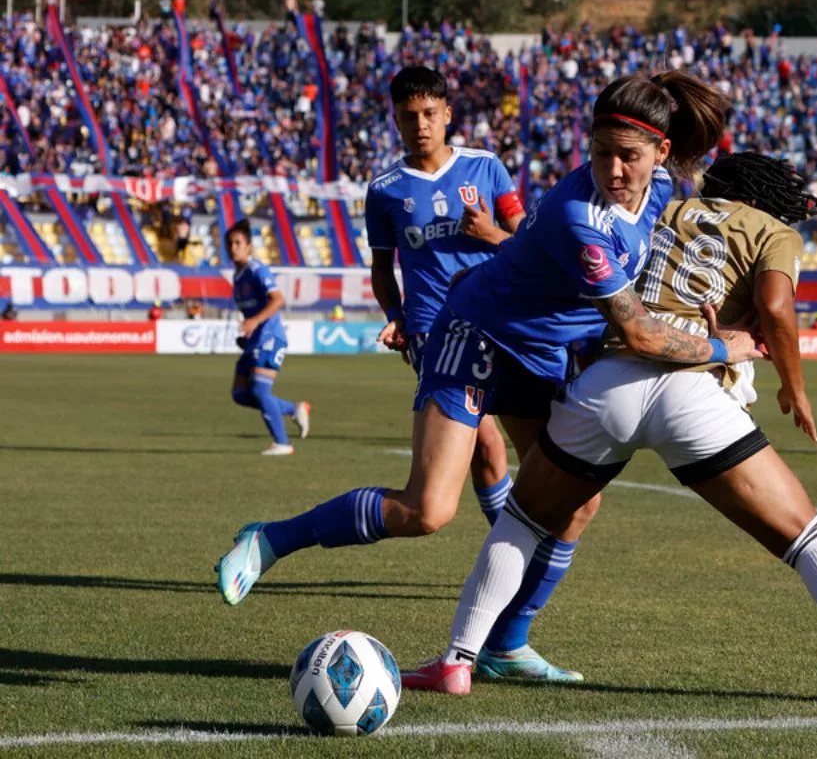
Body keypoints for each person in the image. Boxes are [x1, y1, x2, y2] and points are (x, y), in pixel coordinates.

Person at [216, 70, 747, 683]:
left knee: (576, 506)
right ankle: (269, 541)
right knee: (428, 510)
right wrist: (723, 346)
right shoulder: (577, 212)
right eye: (602, 154)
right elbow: (639, 334)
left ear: (659, 154)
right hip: (476, 337)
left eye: (629, 156)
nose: (614, 170)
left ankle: (506, 646)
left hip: (542, 356)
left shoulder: (659, 191)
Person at [416, 153, 817, 707]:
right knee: (804, 538)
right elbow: (775, 306)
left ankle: (456, 662)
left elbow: (595, 282)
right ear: (763, 198)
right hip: (692, 391)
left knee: (522, 522)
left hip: (607, 384)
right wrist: (792, 384)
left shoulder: (658, 208)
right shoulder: (770, 231)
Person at [367, 66, 525, 532]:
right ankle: (512, 550)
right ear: (396, 120)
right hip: (431, 329)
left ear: (448, 114)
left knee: (493, 445)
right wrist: (395, 315)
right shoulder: (384, 190)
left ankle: (514, 547)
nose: (421, 125)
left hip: (496, 320)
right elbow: (381, 266)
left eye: (430, 113)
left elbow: (524, 240)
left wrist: (489, 232)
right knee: (488, 442)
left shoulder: (486, 167)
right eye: (409, 115)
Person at [225, 221, 311, 456]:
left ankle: (282, 443)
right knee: (240, 394)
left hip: (270, 337)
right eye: (230, 244)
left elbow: (277, 299)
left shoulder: (256, 269)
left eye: (238, 243)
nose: (233, 247)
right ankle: (293, 408)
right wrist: (249, 328)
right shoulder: (238, 277)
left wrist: (254, 322)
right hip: (255, 339)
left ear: (249, 247)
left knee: (261, 392)